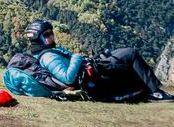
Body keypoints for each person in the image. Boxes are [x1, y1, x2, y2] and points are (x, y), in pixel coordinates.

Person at [25, 19, 173, 102]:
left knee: (122, 54)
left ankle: (147, 90)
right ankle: (155, 92)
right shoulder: (48, 56)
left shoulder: (45, 53)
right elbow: (68, 78)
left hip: (90, 72)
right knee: (130, 54)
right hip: (92, 78)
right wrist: (77, 57)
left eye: (51, 33)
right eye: (47, 34)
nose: (52, 36)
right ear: (38, 38)